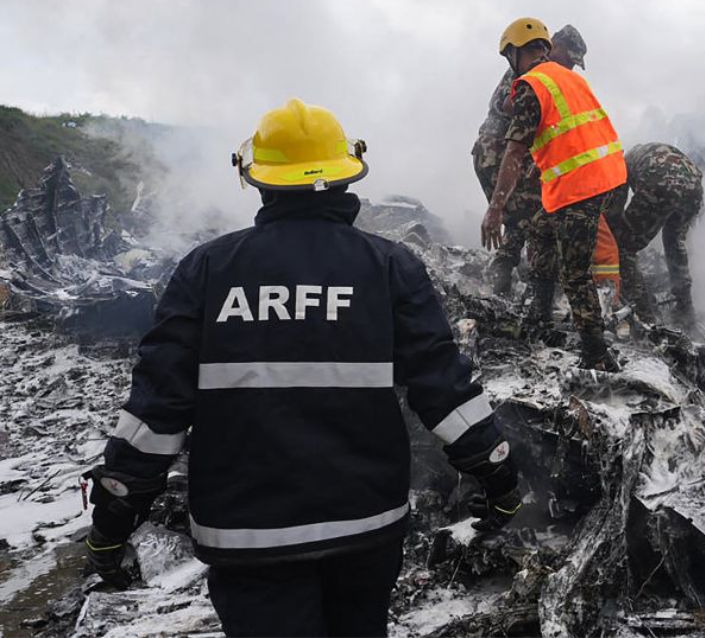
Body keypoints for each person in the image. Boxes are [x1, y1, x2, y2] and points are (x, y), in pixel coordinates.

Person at [83, 99, 521, 636]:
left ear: (260, 181)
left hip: (248, 538)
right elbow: (443, 387)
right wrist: (497, 473)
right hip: (366, 528)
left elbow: (155, 413)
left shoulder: (207, 269)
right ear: (344, 177)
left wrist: (112, 521)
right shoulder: (387, 266)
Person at [481, 18, 626, 371]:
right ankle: (539, 320)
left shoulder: (532, 84)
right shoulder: (571, 77)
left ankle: (596, 353)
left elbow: (514, 152)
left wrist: (496, 209)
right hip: (601, 176)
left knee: (574, 273)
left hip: (582, 185)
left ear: (516, 52)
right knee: (541, 231)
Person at [472, 24, 587, 295]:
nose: (570, 68)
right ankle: (529, 289)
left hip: (512, 156)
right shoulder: (530, 70)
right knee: (533, 215)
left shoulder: (544, 72)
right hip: (497, 153)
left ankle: (510, 280)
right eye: (569, 60)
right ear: (555, 46)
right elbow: (510, 108)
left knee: (528, 215)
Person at [604, 142, 703, 329]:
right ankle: (685, 309)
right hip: (694, 189)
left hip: (659, 183)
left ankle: (644, 315)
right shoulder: (651, 151)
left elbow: (613, 212)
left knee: (624, 248)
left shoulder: (620, 164)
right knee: (675, 243)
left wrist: (611, 237)